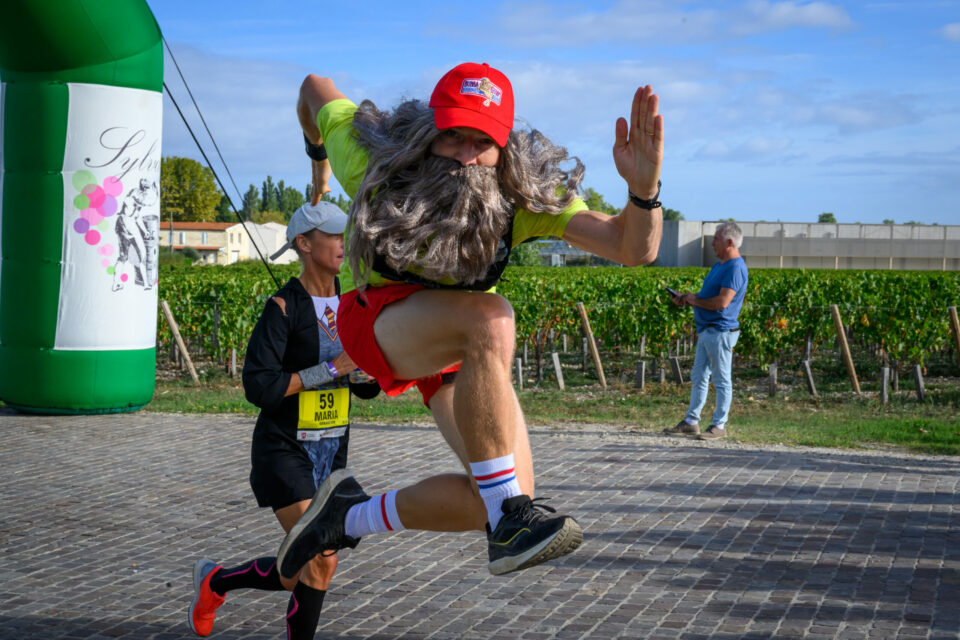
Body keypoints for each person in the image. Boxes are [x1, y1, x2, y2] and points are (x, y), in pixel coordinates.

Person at [278, 61, 664, 579]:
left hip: (459, 347)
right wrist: (319, 156)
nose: (464, 156)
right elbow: (312, 88)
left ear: (504, 150)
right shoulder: (370, 157)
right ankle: (510, 519)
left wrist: (644, 193)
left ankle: (347, 515)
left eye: (480, 142)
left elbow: (630, 247)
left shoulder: (520, 198)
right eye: (452, 137)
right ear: (428, 131)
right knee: (493, 317)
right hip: (379, 324)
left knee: (497, 489)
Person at [187, 201, 379, 639]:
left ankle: (216, 582)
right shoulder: (283, 307)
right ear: (304, 243)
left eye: (342, 234)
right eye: (332, 235)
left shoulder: (353, 303)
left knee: (306, 567)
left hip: (331, 451)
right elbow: (261, 387)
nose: (341, 242)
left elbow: (366, 384)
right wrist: (332, 370)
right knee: (317, 558)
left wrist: (366, 372)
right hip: (283, 449)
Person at [664, 222, 749, 440]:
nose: (712, 243)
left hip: (720, 331)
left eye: (716, 239)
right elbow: (708, 299)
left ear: (730, 242)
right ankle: (691, 422)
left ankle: (719, 425)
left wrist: (695, 300)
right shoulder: (720, 266)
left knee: (721, 380)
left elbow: (722, 302)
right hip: (707, 331)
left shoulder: (735, 268)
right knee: (699, 376)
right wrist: (689, 300)